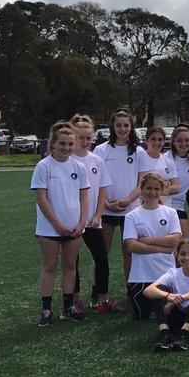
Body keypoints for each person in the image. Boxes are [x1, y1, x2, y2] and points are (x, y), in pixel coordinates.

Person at [32, 121, 89, 326]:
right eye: (62, 143)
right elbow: (42, 199)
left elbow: (84, 198)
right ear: (53, 143)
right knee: (50, 266)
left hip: (73, 228)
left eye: (70, 144)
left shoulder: (79, 167)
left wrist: (81, 223)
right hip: (49, 228)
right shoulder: (44, 166)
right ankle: (46, 309)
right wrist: (57, 224)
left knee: (70, 266)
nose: (66, 148)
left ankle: (68, 307)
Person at [70, 114, 116, 315]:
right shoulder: (67, 160)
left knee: (101, 258)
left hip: (92, 221)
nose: (85, 141)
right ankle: (75, 300)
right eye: (81, 138)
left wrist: (98, 215)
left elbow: (102, 189)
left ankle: (101, 299)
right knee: (72, 261)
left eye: (88, 138)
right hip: (72, 221)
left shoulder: (97, 160)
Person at [93, 109, 141, 296]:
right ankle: (98, 293)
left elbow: (141, 182)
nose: (122, 129)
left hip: (130, 210)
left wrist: (128, 200)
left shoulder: (138, 151)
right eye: (118, 125)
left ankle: (131, 291)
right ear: (112, 126)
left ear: (131, 127)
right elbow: (95, 181)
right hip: (106, 210)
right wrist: (105, 203)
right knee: (101, 253)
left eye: (126, 125)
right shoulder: (101, 150)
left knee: (129, 252)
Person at [123, 172, 181, 319]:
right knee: (141, 317)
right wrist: (162, 249)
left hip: (165, 273)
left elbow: (175, 239)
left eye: (156, 189)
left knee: (166, 314)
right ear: (142, 189)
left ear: (162, 190)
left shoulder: (171, 213)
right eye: (149, 188)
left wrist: (146, 241)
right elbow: (131, 246)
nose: (152, 192)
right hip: (140, 275)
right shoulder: (132, 216)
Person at [143, 238, 189, 351]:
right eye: (182, 254)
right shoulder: (172, 273)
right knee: (160, 290)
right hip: (177, 321)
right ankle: (164, 333)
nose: (186, 258)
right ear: (177, 256)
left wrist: (181, 298)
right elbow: (148, 290)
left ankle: (184, 333)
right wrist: (168, 296)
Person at [164, 123, 189, 237]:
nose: (184, 144)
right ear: (173, 142)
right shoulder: (165, 159)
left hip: (179, 206)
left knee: (187, 242)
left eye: (187, 140)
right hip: (164, 205)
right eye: (179, 141)